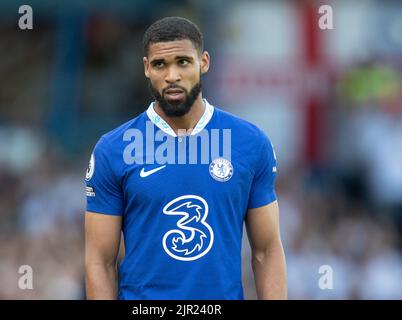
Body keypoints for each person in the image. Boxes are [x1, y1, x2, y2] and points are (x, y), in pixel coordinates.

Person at [84, 16, 287, 300]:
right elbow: (100, 261)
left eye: (183, 62)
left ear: (203, 62)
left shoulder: (250, 143)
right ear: (146, 68)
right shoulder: (112, 150)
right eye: (160, 64)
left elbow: (267, 250)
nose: (172, 76)